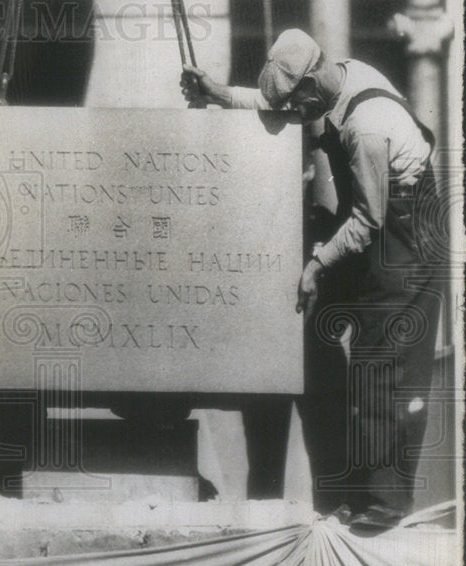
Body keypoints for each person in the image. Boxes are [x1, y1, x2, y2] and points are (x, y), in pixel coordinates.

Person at [182, 29, 442, 530]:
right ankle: (347, 490)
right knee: (328, 329)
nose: (295, 113)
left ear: (311, 87)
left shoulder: (367, 126)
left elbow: (367, 222)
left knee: (381, 360)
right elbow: (272, 102)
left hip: (405, 231)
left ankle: (384, 501)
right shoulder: (336, 76)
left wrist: (316, 265)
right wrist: (219, 94)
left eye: (297, 103)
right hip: (375, 221)